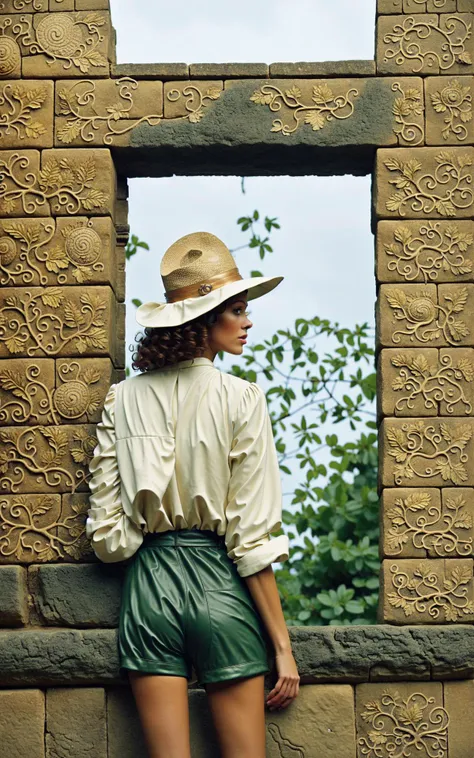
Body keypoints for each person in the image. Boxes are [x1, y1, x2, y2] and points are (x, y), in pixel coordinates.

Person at [86, 231, 300, 758]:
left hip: (148, 591)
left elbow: (108, 538)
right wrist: (284, 647)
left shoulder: (123, 398)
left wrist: (151, 529)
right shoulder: (243, 398)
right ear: (207, 321)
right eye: (240, 311)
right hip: (218, 586)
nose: (248, 323)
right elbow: (251, 538)